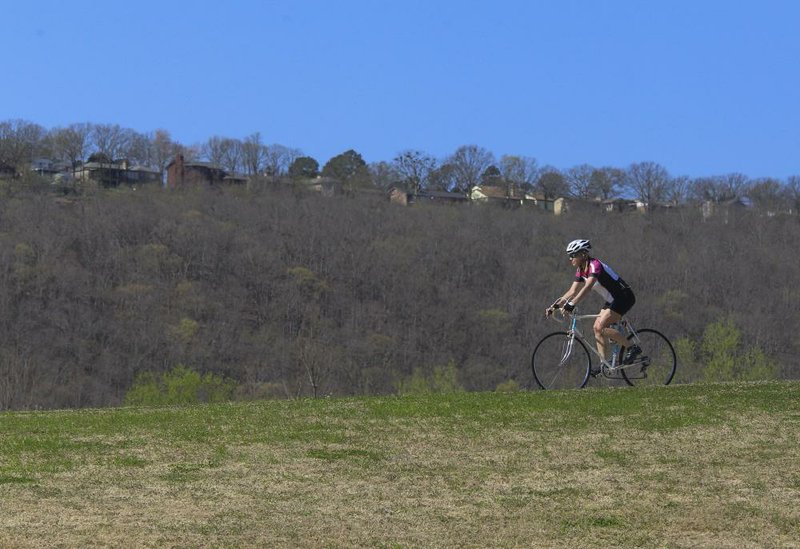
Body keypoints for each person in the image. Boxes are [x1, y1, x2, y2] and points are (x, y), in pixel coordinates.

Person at [545, 239, 641, 365]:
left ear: (583, 254)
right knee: (596, 328)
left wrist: (571, 304)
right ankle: (604, 364)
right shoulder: (581, 269)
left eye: (572, 255)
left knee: (599, 327)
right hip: (612, 299)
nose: (570, 259)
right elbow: (572, 291)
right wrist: (555, 306)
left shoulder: (594, 265)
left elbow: (587, 287)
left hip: (624, 296)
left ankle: (632, 348)